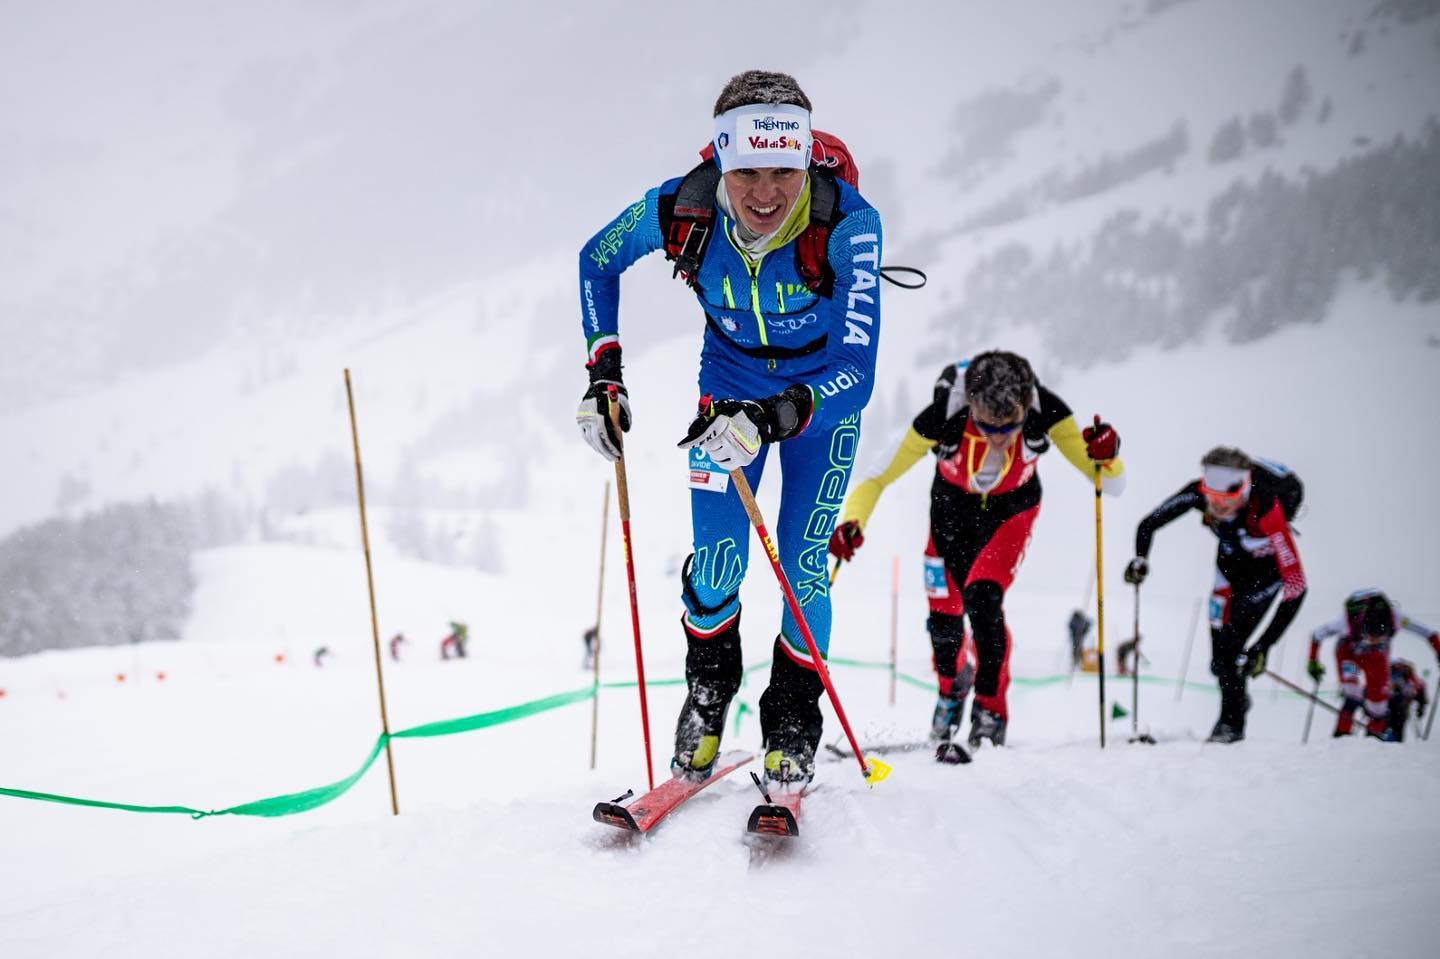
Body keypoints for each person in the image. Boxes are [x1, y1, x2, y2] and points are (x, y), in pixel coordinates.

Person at [575, 71, 883, 785]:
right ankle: (709, 697)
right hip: (729, 390)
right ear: (721, 159)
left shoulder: (850, 223)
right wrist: (605, 373)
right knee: (716, 568)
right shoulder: (679, 208)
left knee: (805, 567)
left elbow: (859, 371)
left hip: (818, 404)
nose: (767, 193)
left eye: (785, 169)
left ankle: (793, 718)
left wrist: (777, 416)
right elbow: (596, 261)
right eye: (748, 171)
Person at [828, 351, 1124, 749]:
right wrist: (853, 522)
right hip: (950, 513)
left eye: (1010, 427)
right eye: (985, 426)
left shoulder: (1046, 411)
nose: (998, 437)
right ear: (971, 406)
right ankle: (951, 690)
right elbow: (875, 477)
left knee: (984, 602)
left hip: (1010, 516)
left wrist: (1108, 457)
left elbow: (1110, 482)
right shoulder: (943, 417)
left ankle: (990, 710)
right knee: (944, 623)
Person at [1125, 448, 1306, 743]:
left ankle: (1231, 724)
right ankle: (1236, 697)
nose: (1218, 507)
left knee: (1232, 652)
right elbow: (1149, 524)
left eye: (1227, 501)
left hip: (1263, 578)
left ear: (1244, 491)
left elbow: (1296, 587)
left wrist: (1264, 645)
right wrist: (1140, 560)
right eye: (1212, 499)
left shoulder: (1268, 510)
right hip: (1228, 571)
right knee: (1218, 660)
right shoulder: (1198, 493)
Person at [1305, 590, 1440, 739]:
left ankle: (1373, 741)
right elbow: (1317, 635)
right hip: (1349, 651)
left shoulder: (1398, 618)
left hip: (1377, 657)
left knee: (1378, 704)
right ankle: (1341, 737)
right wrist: (1313, 661)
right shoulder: (1346, 621)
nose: (1372, 641)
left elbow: (1430, 633)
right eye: (1369, 636)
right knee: (1352, 692)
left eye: (1378, 637)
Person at [1387, 658, 1429, 742]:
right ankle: (1393, 739)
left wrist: (1421, 707)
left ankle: (1394, 740)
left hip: (1398, 707)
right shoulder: (1393, 675)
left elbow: (1419, 692)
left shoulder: (1410, 680)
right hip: (1394, 707)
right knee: (1395, 722)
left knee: (1397, 722)